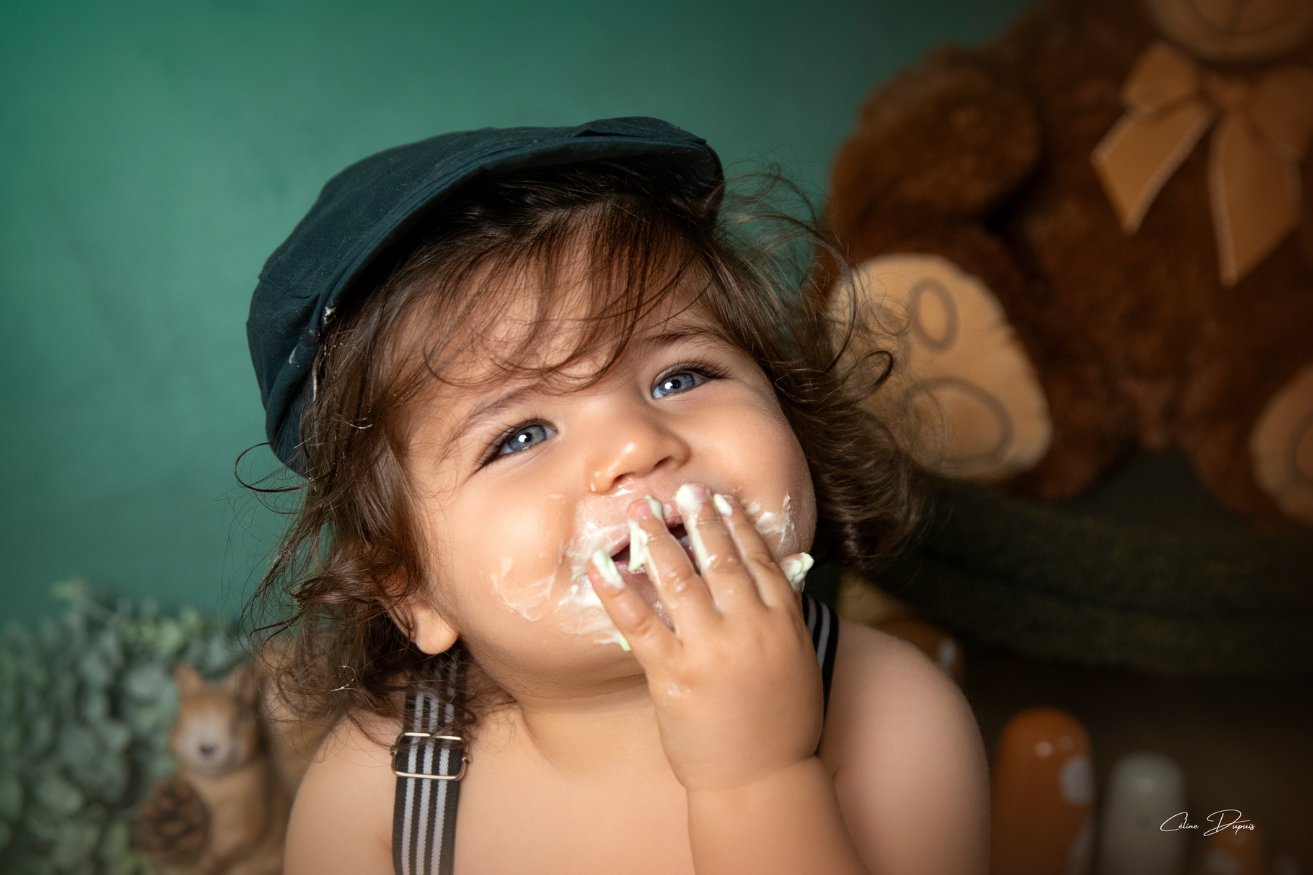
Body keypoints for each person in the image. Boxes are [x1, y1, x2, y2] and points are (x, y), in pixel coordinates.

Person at [244, 117, 989, 875]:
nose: (634, 444)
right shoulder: (376, 793)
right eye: (520, 435)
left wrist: (759, 778)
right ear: (408, 589)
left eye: (680, 377)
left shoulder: (895, 713)